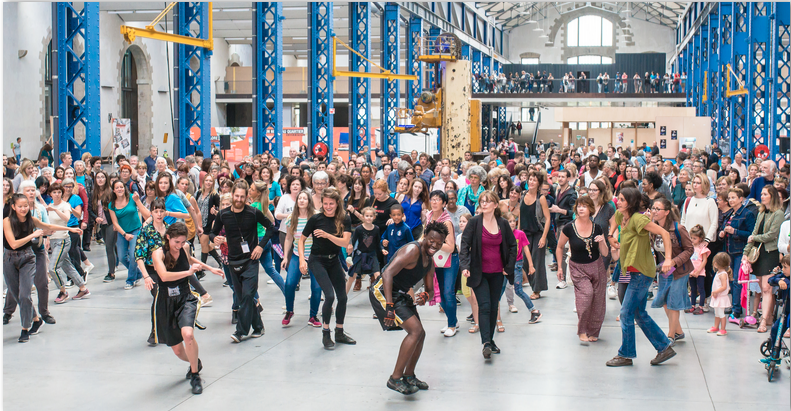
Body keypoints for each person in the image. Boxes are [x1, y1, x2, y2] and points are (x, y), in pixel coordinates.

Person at [370, 221, 447, 395]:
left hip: (401, 294)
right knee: (415, 331)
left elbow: (429, 290)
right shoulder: (413, 250)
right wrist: (390, 306)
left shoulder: (429, 260)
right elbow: (387, 273)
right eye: (432, 240)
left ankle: (409, 375)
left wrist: (425, 296)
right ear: (425, 236)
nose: (434, 245)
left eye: (439, 242)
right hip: (383, 291)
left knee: (421, 334)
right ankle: (395, 379)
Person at [606, 187, 676, 367]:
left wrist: (668, 259)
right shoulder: (623, 216)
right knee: (638, 313)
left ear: (630, 202)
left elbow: (665, 233)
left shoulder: (638, 219)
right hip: (632, 271)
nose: (618, 202)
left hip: (642, 272)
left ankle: (626, 354)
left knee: (625, 313)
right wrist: (610, 235)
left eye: (621, 199)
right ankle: (663, 347)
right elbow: (614, 220)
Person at [151, 223, 223, 395]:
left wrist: (209, 267)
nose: (180, 245)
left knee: (188, 334)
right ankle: (194, 362)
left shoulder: (184, 248)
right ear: (168, 237)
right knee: (177, 350)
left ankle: (195, 374)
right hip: (166, 301)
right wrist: (189, 272)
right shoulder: (158, 253)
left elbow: (190, 260)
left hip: (185, 298)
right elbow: (164, 276)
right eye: (177, 242)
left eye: (183, 242)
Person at [4, 193, 81, 342]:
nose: (23, 209)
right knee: (17, 295)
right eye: (20, 206)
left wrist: (70, 229)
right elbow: (13, 244)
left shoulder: (31, 220)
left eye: (25, 206)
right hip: (9, 259)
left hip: (27, 258)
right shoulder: (7, 221)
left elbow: (48, 226)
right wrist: (34, 234)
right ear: (13, 207)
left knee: (25, 295)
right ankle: (36, 319)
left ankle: (25, 329)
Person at [211, 181, 276, 343]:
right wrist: (215, 238)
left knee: (247, 295)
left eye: (242, 196)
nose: (239, 199)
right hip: (233, 262)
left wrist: (260, 246)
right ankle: (259, 327)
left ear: (247, 197)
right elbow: (211, 233)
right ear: (232, 195)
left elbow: (271, 227)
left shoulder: (253, 212)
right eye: (236, 196)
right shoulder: (223, 214)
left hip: (251, 260)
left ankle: (240, 331)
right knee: (243, 298)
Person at [460, 191, 517, 359]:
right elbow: (464, 245)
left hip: (498, 273)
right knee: (484, 306)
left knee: (493, 307)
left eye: (487, 201)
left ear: (494, 204)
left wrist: (509, 266)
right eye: (482, 202)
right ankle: (486, 343)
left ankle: (490, 340)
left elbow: (513, 246)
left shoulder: (503, 224)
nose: (484, 204)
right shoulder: (474, 223)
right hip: (479, 273)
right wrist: (465, 265)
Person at [300, 187, 356, 349]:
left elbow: (345, 243)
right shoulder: (316, 219)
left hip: (334, 261)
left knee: (343, 297)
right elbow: (302, 240)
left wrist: (327, 235)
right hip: (317, 261)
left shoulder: (344, 218)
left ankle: (339, 331)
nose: (328, 207)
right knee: (330, 296)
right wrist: (302, 261)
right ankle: (326, 333)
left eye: (331, 203)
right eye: (325, 204)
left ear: (338, 203)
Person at [556, 196, 609, 342]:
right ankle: (582, 330)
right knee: (586, 295)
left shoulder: (597, 227)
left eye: (584, 206)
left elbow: (605, 253)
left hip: (597, 266)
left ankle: (593, 332)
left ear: (590, 209)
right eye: (579, 206)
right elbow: (559, 247)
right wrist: (560, 267)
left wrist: (602, 241)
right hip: (578, 268)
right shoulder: (569, 228)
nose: (581, 208)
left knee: (598, 301)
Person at [3, 181, 55, 325]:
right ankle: (8, 311)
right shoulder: (11, 211)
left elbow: (47, 227)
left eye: (33, 190)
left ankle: (44, 313)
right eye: (28, 190)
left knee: (42, 282)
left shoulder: (40, 209)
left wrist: (47, 236)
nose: (32, 193)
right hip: (18, 251)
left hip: (36, 250)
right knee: (16, 286)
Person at [649, 197, 694, 344]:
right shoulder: (654, 228)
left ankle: (670, 336)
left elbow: (689, 249)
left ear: (667, 212)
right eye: (653, 208)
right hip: (664, 270)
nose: (654, 211)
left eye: (658, 209)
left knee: (673, 301)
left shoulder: (678, 229)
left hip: (679, 270)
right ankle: (678, 331)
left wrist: (673, 261)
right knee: (664, 301)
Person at [743, 185, 784, 333]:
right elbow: (753, 234)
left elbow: (772, 235)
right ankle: (769, 317)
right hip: (759, 254)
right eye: (761, 193)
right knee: (762, 287)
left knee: (767, 288)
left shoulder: (778, 213)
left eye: (765, 194)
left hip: (770, 252)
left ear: (772, 196)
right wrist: (746, 253)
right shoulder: (761, 213)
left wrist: (754, 238)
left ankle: (764, 320)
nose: (762, 196)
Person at [280, 190, 322, 327]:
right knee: (290, 284)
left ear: (309, 201)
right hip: (298, 255)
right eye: (300, 198)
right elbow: (288, 238)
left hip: (315, 257)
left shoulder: (316, 216)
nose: (302, 200)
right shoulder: (292, 217)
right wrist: (285, 257)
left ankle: (313, 316)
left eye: (305, 198)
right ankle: (289, 310)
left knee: (316, 287)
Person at [424, 190, 459, 337]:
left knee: (448, 292)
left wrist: (432, 243)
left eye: (438, 199)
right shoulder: (428, 215)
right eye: (432, 199)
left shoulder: (447, 221)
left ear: (444, 203)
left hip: (450, 260)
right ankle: (453, 320)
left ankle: (452, 325)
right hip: (435, 260)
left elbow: (450, 247)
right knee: (439, 294)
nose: (434, 201)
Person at [109, 180, 149, 290]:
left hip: (136, 230)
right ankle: (138, 273)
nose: (120, 189)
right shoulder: (111, 204)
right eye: (117, 187)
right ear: (113, 190)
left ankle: (130, 280)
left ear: (125, 188)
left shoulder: (132, 198)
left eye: (121, 187)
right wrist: (124, 234)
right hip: (122, 232)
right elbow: (115, 223)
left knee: (133, 256)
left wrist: (138, 201)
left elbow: (144, 211)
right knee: (121, 257)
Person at [519, 171, 550, 300]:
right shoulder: (523, 195)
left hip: (537, 233)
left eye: (534, 180)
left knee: (537, 261)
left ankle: (537, 290)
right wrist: (518, 233)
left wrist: (543, 237)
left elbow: (548, 219)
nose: (531, 182)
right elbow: (521, 216)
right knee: (525, 262)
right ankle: (533, 284)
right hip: (525, 234)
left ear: (538, 183)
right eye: (530, 179)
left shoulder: (541, 198)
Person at [345, 207, 381, 293]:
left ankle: (381, 298)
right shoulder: (359, 229)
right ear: (363, 217)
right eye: (367, 215)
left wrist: (382, 250)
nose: (369, 217)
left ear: (374, 217)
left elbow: (377, 243)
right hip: (360, 255)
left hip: (372, 255)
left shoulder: (376, 229)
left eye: (371, 216)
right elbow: (353, 241)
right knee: (352, 276)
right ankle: (343, 297)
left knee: (377, 275)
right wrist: (350, 247)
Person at [685, 224, 710, 315]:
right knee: (693, 289)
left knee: (701, 288)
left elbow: (704, 261)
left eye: (694, 238)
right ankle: (692, 305)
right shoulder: (690, 248)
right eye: (691, 238)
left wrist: (698, 271)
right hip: (691, 272)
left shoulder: (703, 248)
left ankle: (701, 306)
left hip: (700, 272)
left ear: (700, 238)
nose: (692, 240)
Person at [707, 252, 732, 336]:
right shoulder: (719, 273)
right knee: (717, 313)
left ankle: (723, 329)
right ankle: (716, 326)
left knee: (721, 314)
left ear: (716, 264)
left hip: (721, 297)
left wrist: (715, 292)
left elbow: (724, 287)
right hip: (717, 297)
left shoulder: (723, 274)